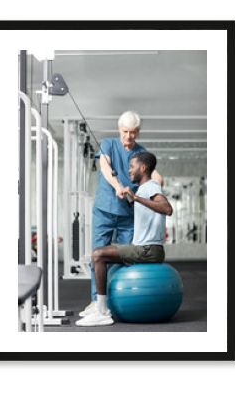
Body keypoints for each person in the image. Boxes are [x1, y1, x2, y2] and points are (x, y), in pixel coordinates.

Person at [79, 111, 163, 317]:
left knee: (123, 258)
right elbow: (105, 167)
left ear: (138, 132)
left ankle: (114, 299)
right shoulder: (108, 144)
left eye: (133, 132)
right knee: (97, 255)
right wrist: (118, 185)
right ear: (119, 130)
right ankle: (95, 301)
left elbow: (157, 176)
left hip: (128, 214)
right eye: (125, 132)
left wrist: (155, 187)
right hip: (104, 211)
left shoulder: (142, 152)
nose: (129, 137)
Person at [76, 151, 172, 326]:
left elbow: (167, 208)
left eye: (132, 166)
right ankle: (104, 306)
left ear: (143, 168)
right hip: (148, 249)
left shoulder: (151, 187)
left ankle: (102, 311)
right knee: (110, 264)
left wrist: (136, 198)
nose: (129, 171)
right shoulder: (144, 189)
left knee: (98, 254)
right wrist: (130, 197)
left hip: (147, 250)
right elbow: (144, 208)